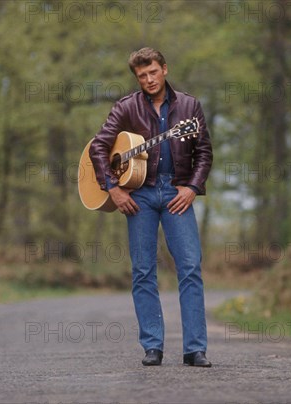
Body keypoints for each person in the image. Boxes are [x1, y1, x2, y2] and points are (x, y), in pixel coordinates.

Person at [89, 47, 213, 367]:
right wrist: (113, 189)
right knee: (143, 271)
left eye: (153, 72)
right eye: (142, 76)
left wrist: (191, 187)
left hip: (176, 192)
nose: (149, 79)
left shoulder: (189, 106)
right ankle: (152, 346)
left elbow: (204, 154)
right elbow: (100, 148)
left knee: (190, 267)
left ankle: (195, 349)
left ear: (165, 69)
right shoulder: (126, 107)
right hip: (139, 195)